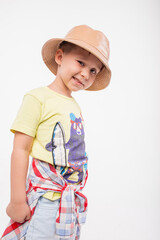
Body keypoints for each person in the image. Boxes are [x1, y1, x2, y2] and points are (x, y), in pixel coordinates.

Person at [1, 24, 111, 240]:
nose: (85, 74)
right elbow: (20, 150)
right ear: (60, 57)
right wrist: (17, 200)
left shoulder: (74, 105)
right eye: (81, 62)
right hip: (45, 200)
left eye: (93, 70)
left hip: (67, 201)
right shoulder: (37, 98)